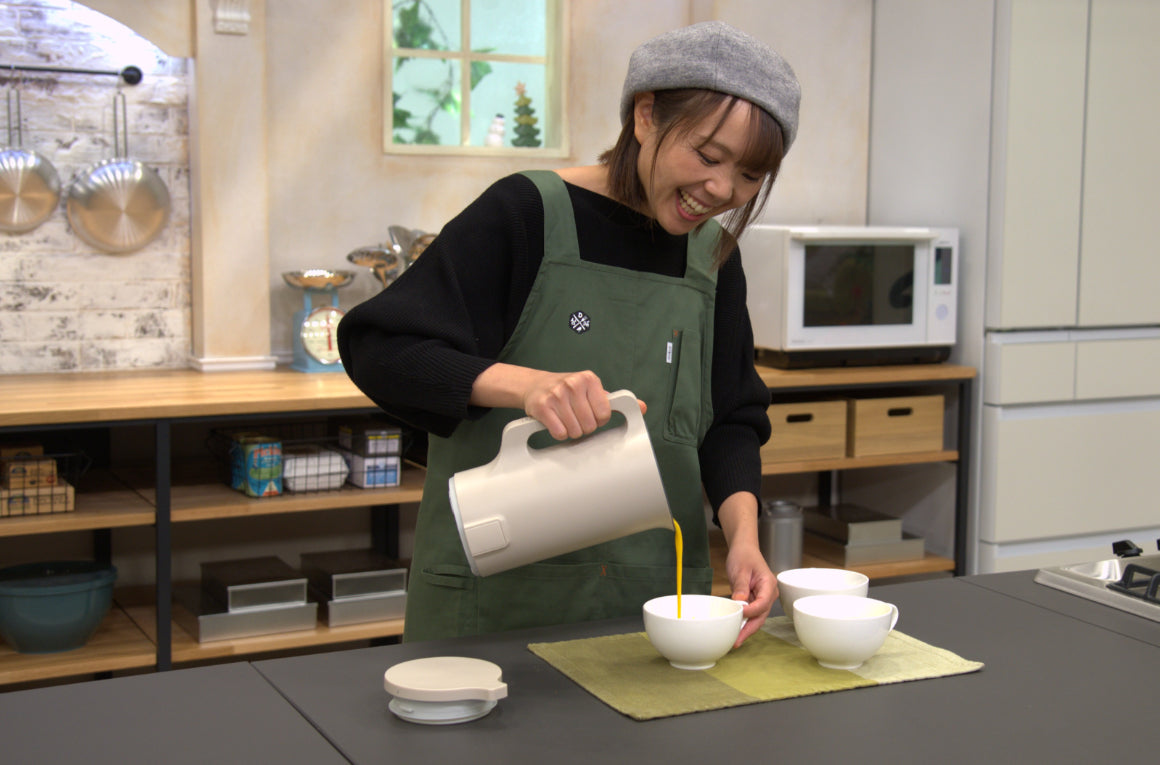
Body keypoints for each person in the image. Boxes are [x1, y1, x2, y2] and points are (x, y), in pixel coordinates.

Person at [338, 20, 801, 645]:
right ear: (644, 116)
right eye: (708, 156)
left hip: (656, 604)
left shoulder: (714, 255)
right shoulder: (525, 214)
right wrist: (526, 387)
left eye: (748, 177)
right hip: (498, 604)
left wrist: (744, 537)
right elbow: (381, 346)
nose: (721, 190)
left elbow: (732, 418)